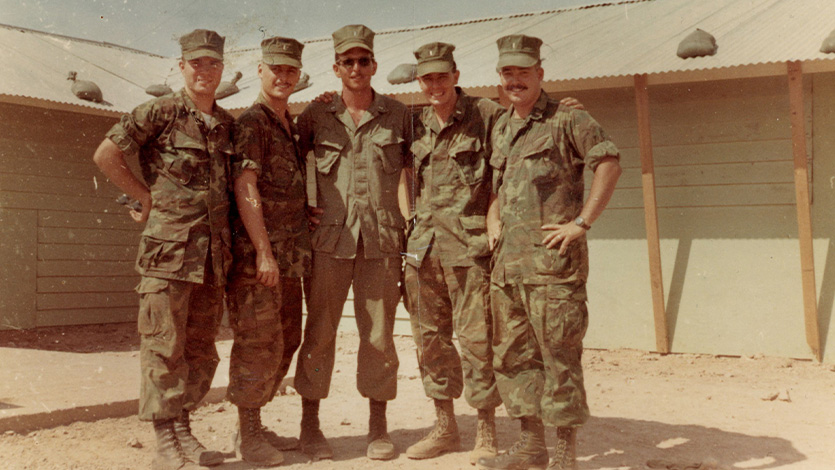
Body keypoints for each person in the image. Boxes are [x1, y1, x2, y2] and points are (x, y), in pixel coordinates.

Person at [477, 34, 622, 470]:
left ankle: (564, 455)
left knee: (559, 360)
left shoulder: (568, 120)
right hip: (508, 270)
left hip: (552, 270)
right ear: (500, 77)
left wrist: (581, 223)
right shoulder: (502, 125)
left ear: (541, 73)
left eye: (524, 72)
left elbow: (609, 162)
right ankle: (530, 446)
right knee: (514, 358)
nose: (515, 80)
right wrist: (493, 217)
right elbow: (502, 183)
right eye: (508, 73)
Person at [92, 29, 234, 470]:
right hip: (168, 254)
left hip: (211, 259)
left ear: (222, 68)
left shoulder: (226, 123)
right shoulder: (161, 111)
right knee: (162, 345)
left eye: (212, 63)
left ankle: (184, 430)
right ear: (182, 66)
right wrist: (144, 196)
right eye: (196, 63)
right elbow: (106, 154)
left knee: (200, 348)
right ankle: (164, 438)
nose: (204, 71)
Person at [292, 24, 412, 461]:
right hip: (329, 242)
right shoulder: (314, 115)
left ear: (375, 65)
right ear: (336, 68)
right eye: (348, 61)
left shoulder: (399, 115)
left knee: (379, 336)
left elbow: (427, 160)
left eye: (364, 60)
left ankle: (377, 427)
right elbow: (285, 164)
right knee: (320, 332)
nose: (357, 68)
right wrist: (302, 206)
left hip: (381, 242)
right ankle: (310, 426)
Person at [402, 41, 504, 464]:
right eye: (427, 77)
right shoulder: (412, 123)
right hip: (423, 250)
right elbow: (401, 174)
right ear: (419, 81)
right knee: (430, 340)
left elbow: (505, 168)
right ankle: (445, 427)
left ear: (456, 76)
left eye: (442, 76)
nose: (435, 84)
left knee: (478, 341)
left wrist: (495, 218)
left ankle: (486, 430)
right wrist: (408, 220)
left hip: (469, 248)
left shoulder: (486, 115)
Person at [226, 36, 311, 467]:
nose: (283, 76)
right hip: (261, 260)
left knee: (287, 339)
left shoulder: (288, 124)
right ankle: (248, 433)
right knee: (258, 343)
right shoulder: (253, 123)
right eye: (275, 68)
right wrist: (263, 252)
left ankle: (252, 425)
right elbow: (246, 186)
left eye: (291, 70)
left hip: (289, 256)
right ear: (259, 70)